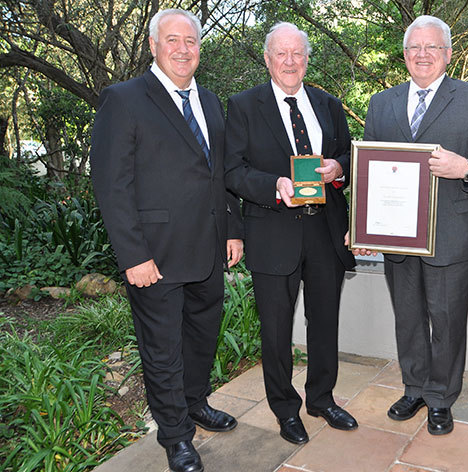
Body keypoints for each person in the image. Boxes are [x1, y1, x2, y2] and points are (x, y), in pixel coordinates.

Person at [90, 9, 243, 472]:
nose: (182, 49)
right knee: (162, 349)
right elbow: (111, 185)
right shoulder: (124, 99)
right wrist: (133, 255)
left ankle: (196, 403)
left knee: (201, 338)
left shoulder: (212, 102)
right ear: (154, 46)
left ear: (200, 48)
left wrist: (234, 229)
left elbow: (222, 174)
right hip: (154, 255)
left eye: (190, 41)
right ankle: (175, 435)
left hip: (210, 248)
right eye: (172, 40)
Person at [363, 15, 468, 435]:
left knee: (446, 321)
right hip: (397, 235)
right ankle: (414, 388)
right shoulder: (382, 103)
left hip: (451, 234)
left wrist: (466, 167)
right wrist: (364, 223)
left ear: (447, 53)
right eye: (415, 48)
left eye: (432, 47)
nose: (423, 55)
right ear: (404, 55)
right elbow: (369, 169)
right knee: (407, 318)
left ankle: (441, 397)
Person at [223, 22, 357, 445]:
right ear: (267, 59)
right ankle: (285, 408)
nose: (289, 61)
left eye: (297, 53)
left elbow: (347, 156)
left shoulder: (328, 104)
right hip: (272, 232)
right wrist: (273, 187)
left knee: (324, 324)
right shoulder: (244, 106)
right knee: (277, 331)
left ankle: (322, 398)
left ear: (306, 59)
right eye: (281, 53)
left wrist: (339, 169)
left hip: (324, 230)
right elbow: (232, 171)